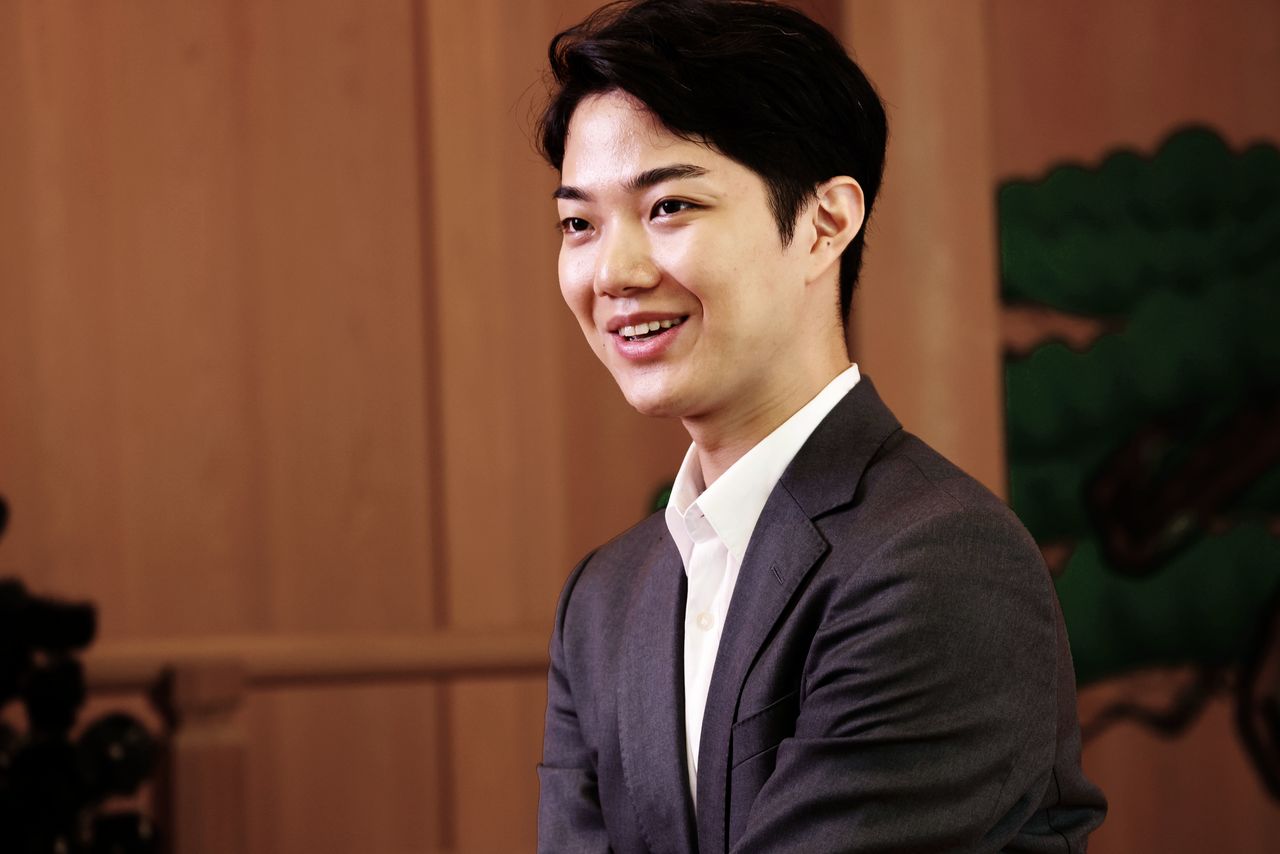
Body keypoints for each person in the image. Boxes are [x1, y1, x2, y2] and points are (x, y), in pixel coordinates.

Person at [534, 1, 1107, 851]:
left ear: (825, 223)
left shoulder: (939, 562)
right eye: (579, 224)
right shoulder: (603, 598)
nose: (612, 272)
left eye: (670, 206)